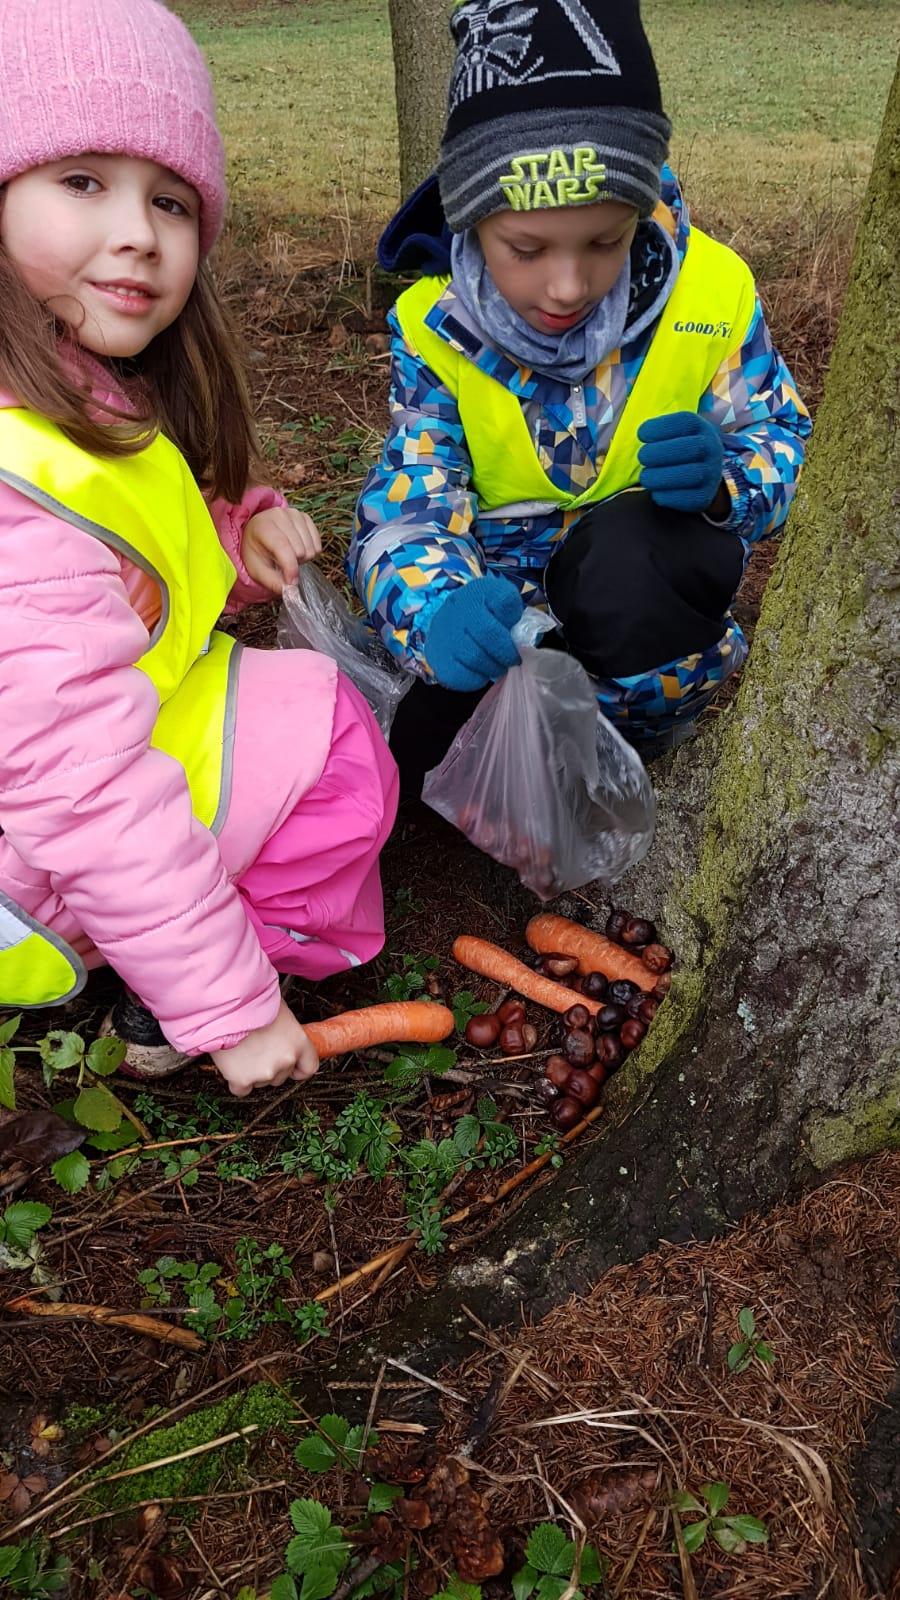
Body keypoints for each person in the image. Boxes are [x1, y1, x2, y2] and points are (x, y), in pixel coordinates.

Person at [0, 0, 398, 1096]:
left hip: (36, 828)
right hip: (36, 861)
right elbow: (77, 783)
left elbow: (125, 536)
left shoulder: (61, 385)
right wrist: (234, 1005)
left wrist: (237, 521)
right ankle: (181, 982)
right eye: (83, 180)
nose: (138, 231)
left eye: (170, 200)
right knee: (333, 733)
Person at [349, 0, 811, 795]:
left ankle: (632, 744)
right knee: (415, 757)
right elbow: (410, 503)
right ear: (471, 219)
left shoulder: (713, 290)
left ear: (640, 209)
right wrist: (438, 612)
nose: (567, 286)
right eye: (525, 249)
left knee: (628, 569)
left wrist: (726, 485)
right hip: (509, 616)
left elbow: (781, 437)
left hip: (640, 609)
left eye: (605, 242)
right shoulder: (435, 326)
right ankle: (534, 753)